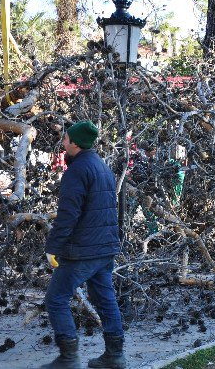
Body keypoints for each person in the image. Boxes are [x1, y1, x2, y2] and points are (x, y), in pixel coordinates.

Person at [42, 121, 126, 369]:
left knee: (56, 298)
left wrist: (53, 246)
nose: (64, 142)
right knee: (105, 299)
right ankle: (115, 355)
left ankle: (68, 359)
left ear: (76, 143)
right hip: (105, 248)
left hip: (83, 251)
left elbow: (68, 214)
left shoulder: (77, 171)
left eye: (66, 138)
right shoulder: (102, 167)